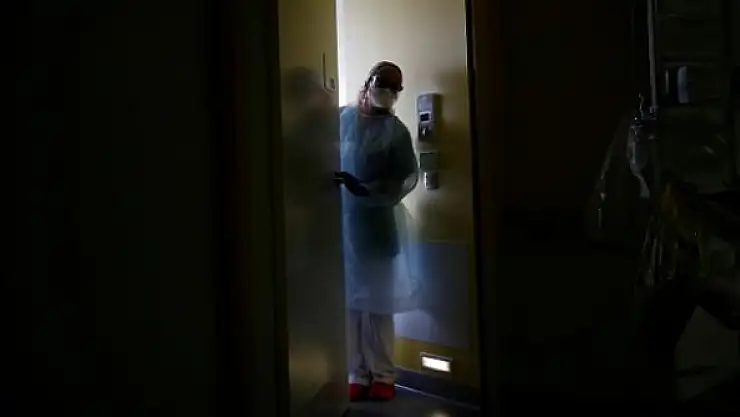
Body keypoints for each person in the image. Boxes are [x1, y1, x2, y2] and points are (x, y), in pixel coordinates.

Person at [335, 61, 419, 402]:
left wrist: (366, 190)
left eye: (393, 89)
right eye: (382, 85)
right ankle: (356, 373)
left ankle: (384, 375)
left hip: (379, 229)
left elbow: (404, 179)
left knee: (379, 306)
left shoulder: (396, 133)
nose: (387, 92)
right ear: (368, 83)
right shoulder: (342, 119)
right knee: (351, 307)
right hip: (344, 228)